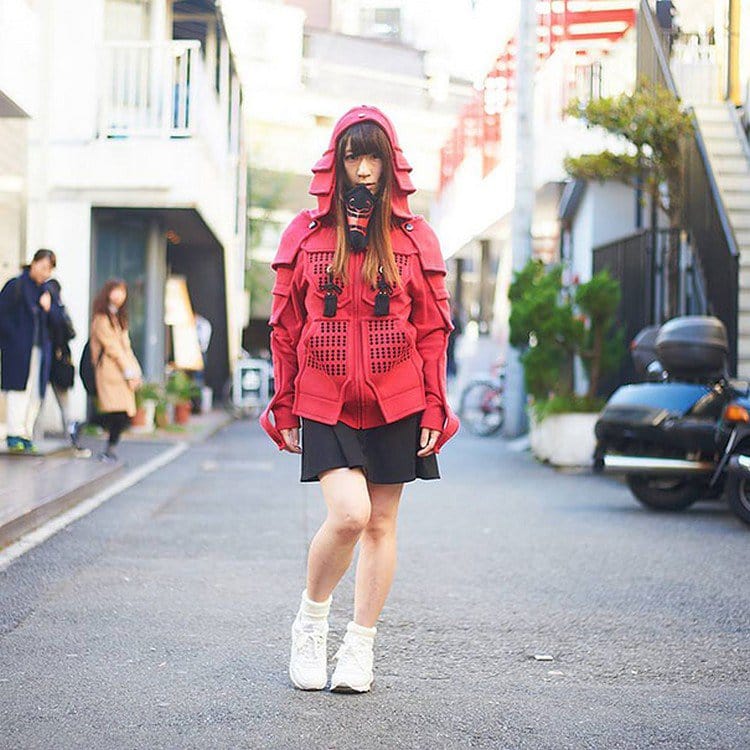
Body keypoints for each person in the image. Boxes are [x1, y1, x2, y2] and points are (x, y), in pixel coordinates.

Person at [260, 105, 460, 694]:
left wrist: (434, 404)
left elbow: (432, 330)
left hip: (398, 398)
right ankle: (311, 621)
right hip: (323, 396)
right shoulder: (304, 235)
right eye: (355, 157)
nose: (365, 170)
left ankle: (360, 646)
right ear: (337, 162)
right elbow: (285, 327)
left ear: (390, 163)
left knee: (382, 524)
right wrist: (284, 402)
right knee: (351, 514)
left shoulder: (414, 239)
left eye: (374, 157)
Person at [0, 249, 63, 453]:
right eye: (43, 267)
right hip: (18, 351)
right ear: (34, 263)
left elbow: (59, 320)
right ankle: (14, 434)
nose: (45, 273)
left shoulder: (47, 291)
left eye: (49, 269)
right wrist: (13, 339)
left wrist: (48, 308)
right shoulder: (16, 286)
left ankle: (26, 433)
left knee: (35, 393)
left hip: (41, 350)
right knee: (18, 390)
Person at [89, 279, 142, 463]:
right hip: (109, 372)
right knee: (116, 412)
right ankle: (86, 428)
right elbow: (112, 348)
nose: (120, 296)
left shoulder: (119, 318)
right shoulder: (101, 319)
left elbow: (126, 348)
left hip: (122, 372)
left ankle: (109, 448)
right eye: (116, 291)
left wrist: (135, 370)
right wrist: (129, 371)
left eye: (123, 292)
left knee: (122, 414)